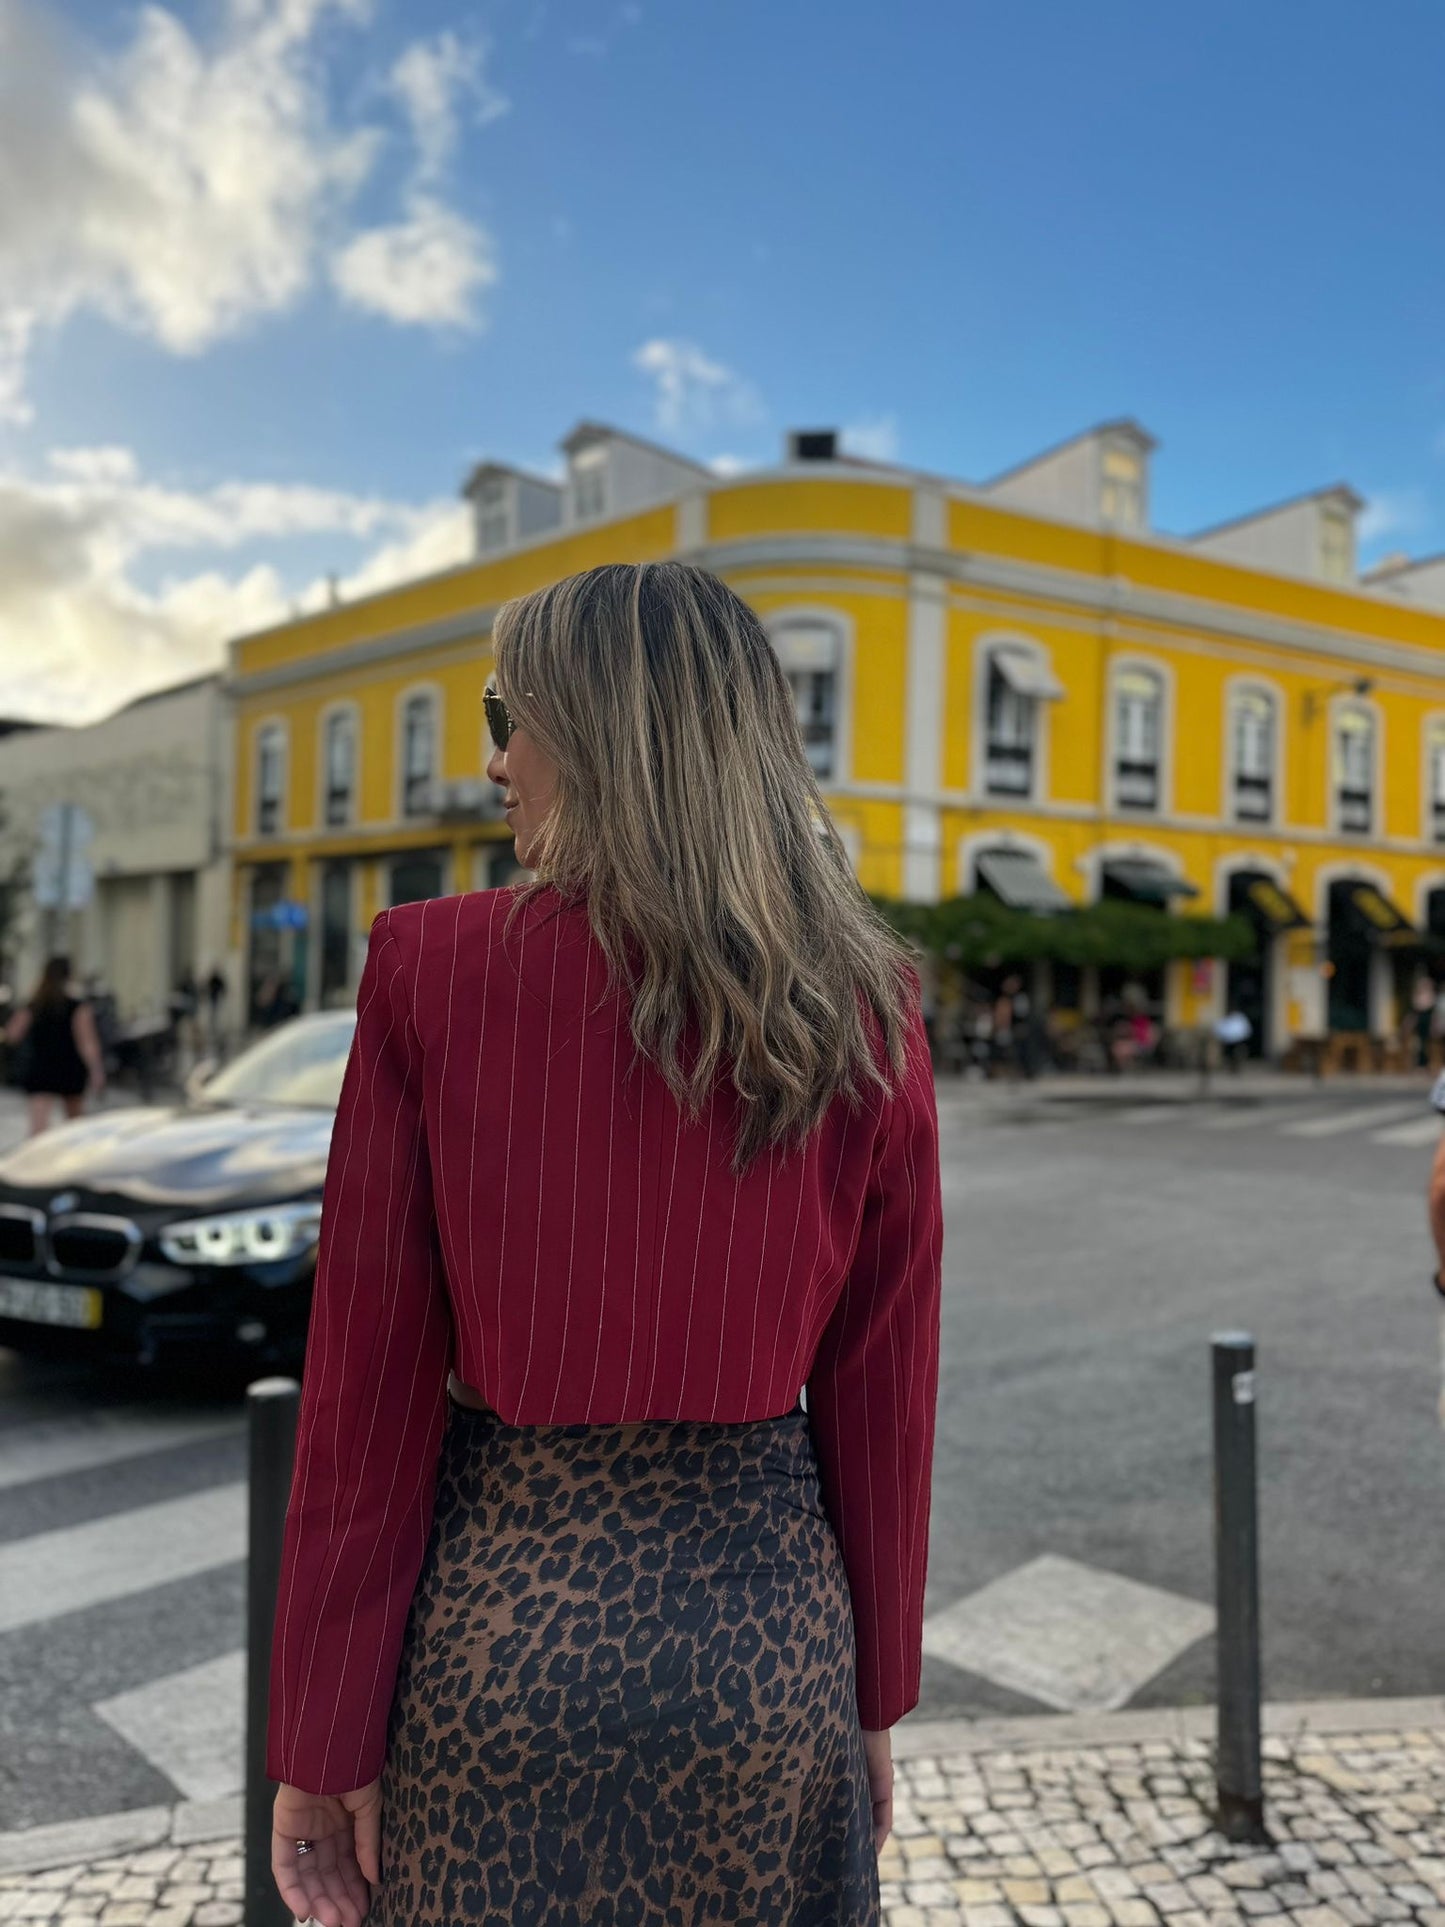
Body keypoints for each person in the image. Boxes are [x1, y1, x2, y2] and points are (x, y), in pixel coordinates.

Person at [266, 562, 944, 1927]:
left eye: (508, 711)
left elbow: (367, 1392)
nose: (494, 756)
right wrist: (870, 1692)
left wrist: (321, 1749)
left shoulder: (427, 968)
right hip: (766, 1643)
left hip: (501, 1641)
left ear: (594, 729)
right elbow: (884, 1392)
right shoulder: (867, 1002)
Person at [3, 954, 106, 1136]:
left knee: (38, 1129)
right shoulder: (77, 1006)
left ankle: (38, 1161)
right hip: (70, 1067)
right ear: (69, 976)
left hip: (41, 1066)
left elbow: (12, 1034)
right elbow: (87, 1042)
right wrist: (96, 1070)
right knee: (75, 1125)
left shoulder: (34, 1004)